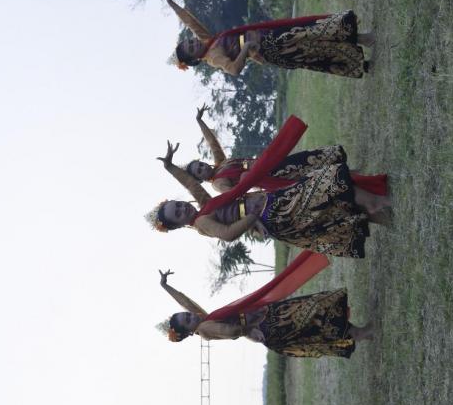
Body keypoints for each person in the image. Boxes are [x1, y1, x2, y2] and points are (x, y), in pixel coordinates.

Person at [147, 116, 391, 258]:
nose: (182, 208)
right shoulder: (202, 222)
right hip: (272, 213)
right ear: (178, 225)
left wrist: (170, 167)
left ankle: (383, 213)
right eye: (178, 213)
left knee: (332, 205)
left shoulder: (204, 207)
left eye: (178, 205)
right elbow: (228, 234)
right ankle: (381, 203)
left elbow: (192, 184)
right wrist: (252, 216)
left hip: (271, 202)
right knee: (327, 183)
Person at [157, 252, 373, 358]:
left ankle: (360, 332)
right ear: (188, 331)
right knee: (315, 315)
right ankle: (361, 333)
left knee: (316, 318)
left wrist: (166, 286)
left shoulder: (203, 319)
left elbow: (186, 302)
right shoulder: (205, 328)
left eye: (187, 315)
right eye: (188, 319)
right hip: (267, 326)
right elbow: (231, 332)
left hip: (265, 320)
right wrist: (249, 327)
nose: (191, 315)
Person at [167, 0, 374, 78]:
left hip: (269, 36)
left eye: (190, 41)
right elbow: (233, 70)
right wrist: (246, 48)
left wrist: (172, 4)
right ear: (194, 59)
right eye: (191, 48)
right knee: (313, 48)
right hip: (272, 50)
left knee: (311, 32)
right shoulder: (213, 57)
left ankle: (360, 38)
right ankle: (356, 60)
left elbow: (191, 22)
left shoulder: (207, 41)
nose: (194, 42)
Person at [185, 104, 389, 195]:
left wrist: (200, 121)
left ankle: (353, 173)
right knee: (314, 173)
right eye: (199, 171)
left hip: (271, 163)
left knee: (310, 159)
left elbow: (212, 143)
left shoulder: (221, 164)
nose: (203, 167)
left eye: (200, 164)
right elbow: (237, 194)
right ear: (200, 179)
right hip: (271, 177)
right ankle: (357, 179)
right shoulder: (218, 183)